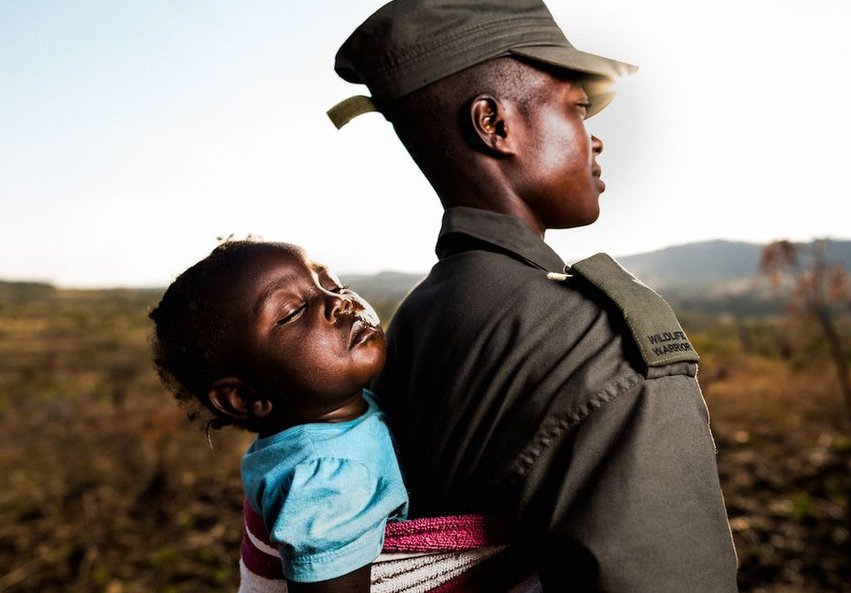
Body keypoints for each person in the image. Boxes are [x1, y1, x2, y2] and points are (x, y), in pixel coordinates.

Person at [328, 0, 740, 591]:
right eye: (576, 109)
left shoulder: (417, 314)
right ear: (494, 125)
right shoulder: (589, 339)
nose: (595, 141)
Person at [148, 240, 409, 593]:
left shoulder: (330, 411)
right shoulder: (324, 481)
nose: (338, 301)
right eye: (291, 312)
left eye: (332, 284)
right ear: (243, 396)